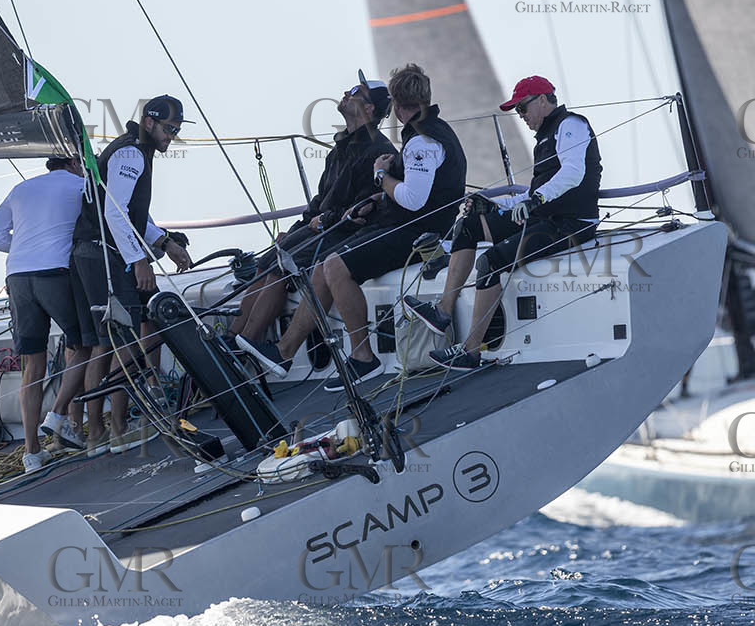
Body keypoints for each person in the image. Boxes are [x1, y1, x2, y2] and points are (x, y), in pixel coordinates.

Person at [238, 63, 466, 389]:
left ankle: (363, 357)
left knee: (334, 266)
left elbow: (414, 199)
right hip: (405, 226)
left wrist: (381, 176)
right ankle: (284, 352)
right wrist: (381, 190)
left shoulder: (420, 141)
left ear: (397, 107)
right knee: (320, 269)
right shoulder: (429, 133)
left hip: (415, 234)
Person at [405, 76, 603, 370]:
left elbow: (572, 174)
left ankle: (470, 352)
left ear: (543, 100)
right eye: (517, 111)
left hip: (571, 224)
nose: (520, 116)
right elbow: (535, 190)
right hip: (542, 216)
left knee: (491, 261)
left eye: (522, 108)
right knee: (470, 224)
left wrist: (535, 200)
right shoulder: (544, 138)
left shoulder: (571, 125)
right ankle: (443, 312)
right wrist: (494, 205)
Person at [69, 95, 194, 454]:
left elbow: (130, 212)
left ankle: (96, 436)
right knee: (122, 340)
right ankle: (119, 429)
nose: (172, 136)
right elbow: (115, 212)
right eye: (169, 129)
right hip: (103, 255)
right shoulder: (131, 154)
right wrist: (139, 259)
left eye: (177, 131)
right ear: (149, 122)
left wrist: (165, 242)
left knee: (104, 343)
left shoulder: (129, 151)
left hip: (88, 253)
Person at [232, 73, 397, 342]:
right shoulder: (339, 150)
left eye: (356, 90)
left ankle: (246, 342)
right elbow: (321, 200)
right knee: (267, 261)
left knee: (284, 267)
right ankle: (232, 339)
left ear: (369, 109)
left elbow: (366, 209)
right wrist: (295, 228)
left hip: (342, 233)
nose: (346, 91)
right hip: (321, 227)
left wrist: (325, 220)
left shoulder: (379, 151)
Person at [0, 156, 93, 472]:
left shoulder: (20, 188)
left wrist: (25, 245)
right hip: (55, 274)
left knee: (32, 365)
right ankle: (62, 419)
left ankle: (31, 453)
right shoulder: (82, 185)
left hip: (17, 276)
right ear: (73, 162)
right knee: (84, 345)